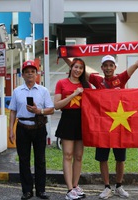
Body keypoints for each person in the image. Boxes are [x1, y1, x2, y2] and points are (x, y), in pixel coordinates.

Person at [64, 52, 138, 199]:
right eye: (105, 65)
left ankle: (118, 186)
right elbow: (76, 68)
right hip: (103, 126)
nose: (108, 68)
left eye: (111, 65)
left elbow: (137, 64)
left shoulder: (122, 78)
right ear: (102, 67)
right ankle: (106, 187)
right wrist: (64, 55)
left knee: (120, 158)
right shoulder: (96, 80)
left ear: (115, 67)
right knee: (103, 158)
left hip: (119, 125)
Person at [9, 60, 54, 200]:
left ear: (37, 74)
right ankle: (27, 190)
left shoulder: (43, 90)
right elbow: (12, 111)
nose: (30, 74)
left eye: (32, 71)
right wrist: (11, 130)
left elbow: (51, 110)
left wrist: (38, 110)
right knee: (24, 160)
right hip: (22, 127)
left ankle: (41, 190)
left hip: (39, 127)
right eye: (27, 71)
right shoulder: (17, 91)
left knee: (40, 160)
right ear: (22, 75)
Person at [54, 58, 91, 200]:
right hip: (68, 119)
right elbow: (57, 105)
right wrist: (74, 94)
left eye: (81, 68)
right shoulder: (61, 83)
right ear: (71, 67)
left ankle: (76, 186)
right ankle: (69, 189)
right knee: (67, 155)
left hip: (82, 120)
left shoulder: (85, 84)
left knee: (79, 156)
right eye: (76, 67)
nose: (78, 70)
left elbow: (99, 98)